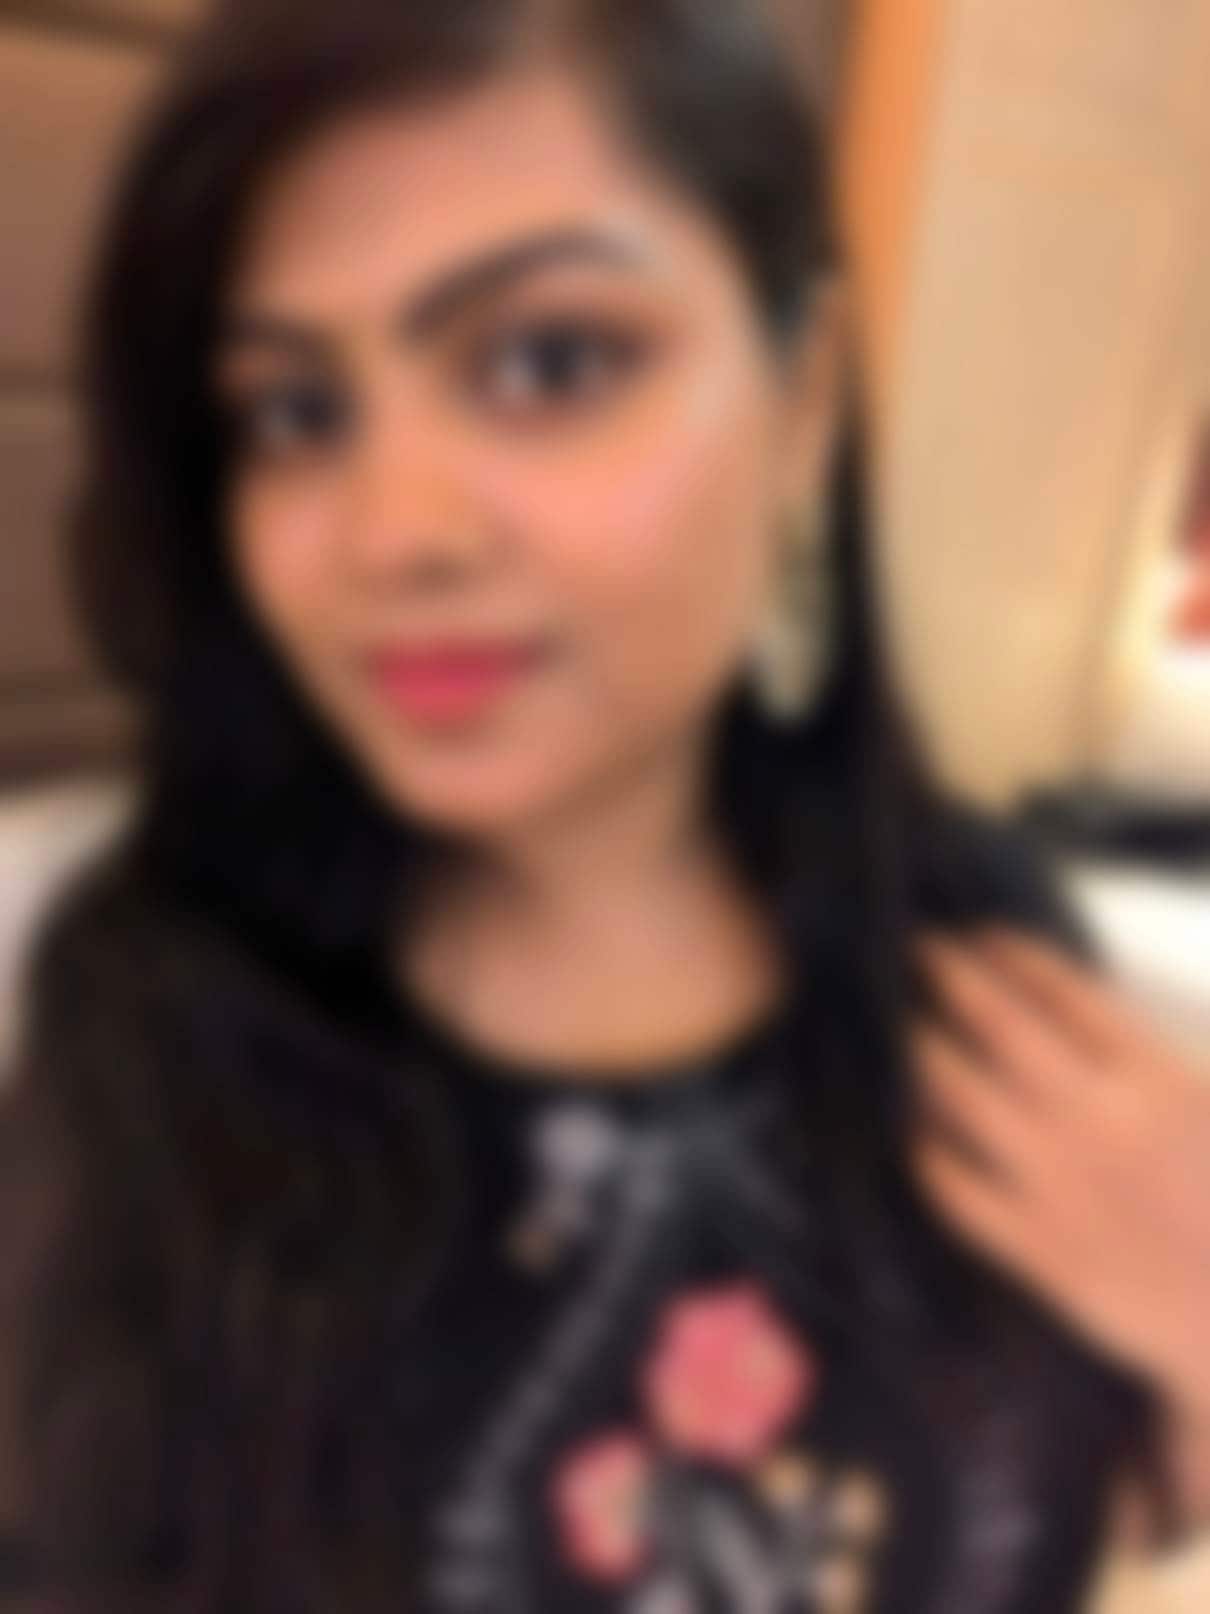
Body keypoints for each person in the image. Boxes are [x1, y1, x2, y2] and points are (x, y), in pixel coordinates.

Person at [1, 0, 1207, 1609]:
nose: (397, 533)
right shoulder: (144, 1027)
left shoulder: (982, 971)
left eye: (549, 362)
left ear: (803, 400)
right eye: (295, 412)